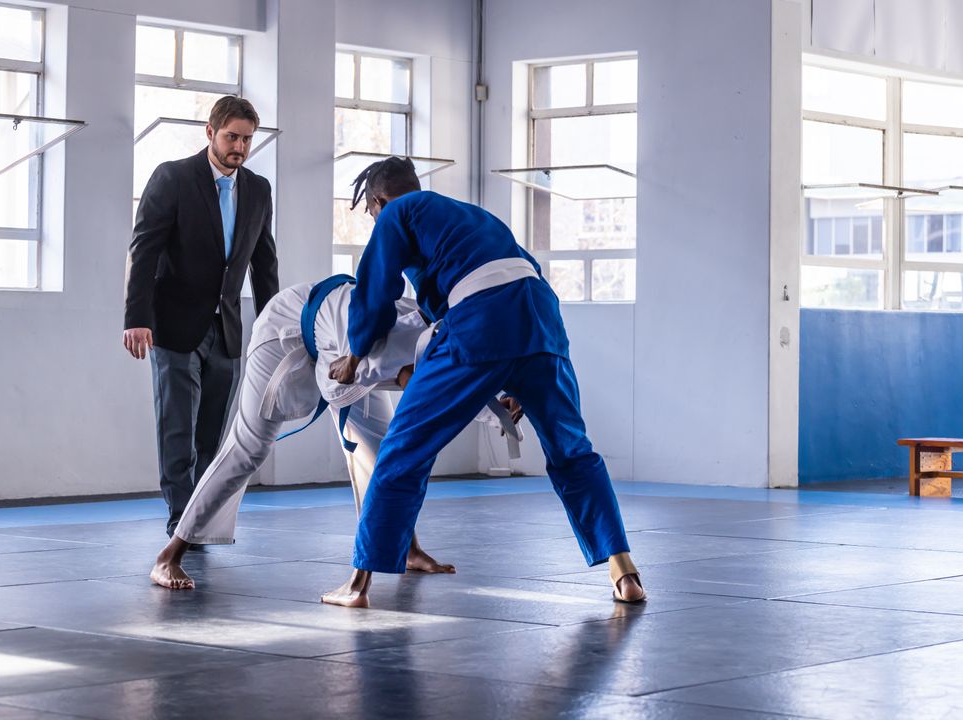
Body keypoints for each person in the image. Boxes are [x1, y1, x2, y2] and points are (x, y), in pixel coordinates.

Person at [321, 157, 645, 609]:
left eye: (372, 214)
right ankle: (624, 573)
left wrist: (354, 356)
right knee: (573, 452)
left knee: (403, 449)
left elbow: (375, 293)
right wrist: (516, 381)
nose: (376, 223)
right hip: (541, 323)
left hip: (481, 321)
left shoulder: (397, 212)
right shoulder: (473, 217)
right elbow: (514, 279)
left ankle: (357, 584)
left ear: (379, 200)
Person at [149, 275, 518, 589]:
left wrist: (495, 407)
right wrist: (418, 384)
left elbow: (452, 383)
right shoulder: (372, 331)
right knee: (248, 448)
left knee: (379, 450)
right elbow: (346, 381)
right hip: (286, 332)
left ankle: (407, 548)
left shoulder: (435, 330)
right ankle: (170, 555)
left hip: (340, 350)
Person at [123, 96, 279, 538]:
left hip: (227, 329)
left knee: (212, 434)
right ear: (210, 132)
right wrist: (137, 317)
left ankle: (202, 516)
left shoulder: (258, 189)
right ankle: (180, 521)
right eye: (232, 137)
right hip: (173, 325)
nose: (240, 147)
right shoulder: (173, 178)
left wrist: (274, 329)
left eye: (247, 139)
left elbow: (264, 264)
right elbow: (144, 249)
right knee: (177, 427)